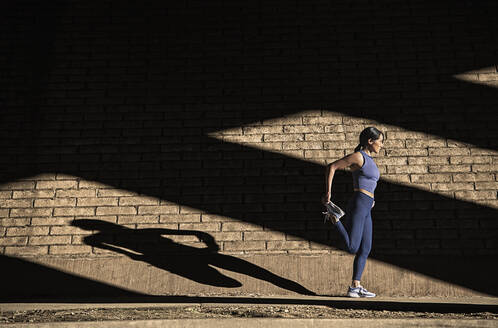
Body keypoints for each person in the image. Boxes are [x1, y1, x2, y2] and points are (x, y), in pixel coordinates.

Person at [322, 126, 384, 298]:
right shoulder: (358, 157)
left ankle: (355, 286)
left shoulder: (371, 160)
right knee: (352, 247)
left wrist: (372, 199)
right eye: (380, 141)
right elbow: (332, 167)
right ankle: (334, 217)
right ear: (370, 141)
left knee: (365, 248)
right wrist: (328, 193)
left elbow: (370, 183)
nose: (381, 145)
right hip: (358, 203)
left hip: (367, 205)